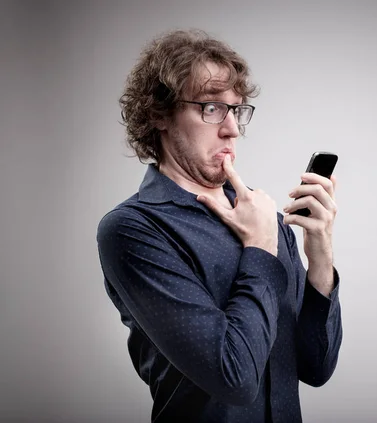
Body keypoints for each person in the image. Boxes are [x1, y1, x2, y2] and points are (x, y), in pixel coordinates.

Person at [96, 29, 343, 423]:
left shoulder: (264, 218)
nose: (231, 129)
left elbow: (315, 367)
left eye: (236, 110)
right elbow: (235, 378)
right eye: (210, 108)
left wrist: (320, 256)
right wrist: (261, 247)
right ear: (159, 114)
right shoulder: (133, 230)